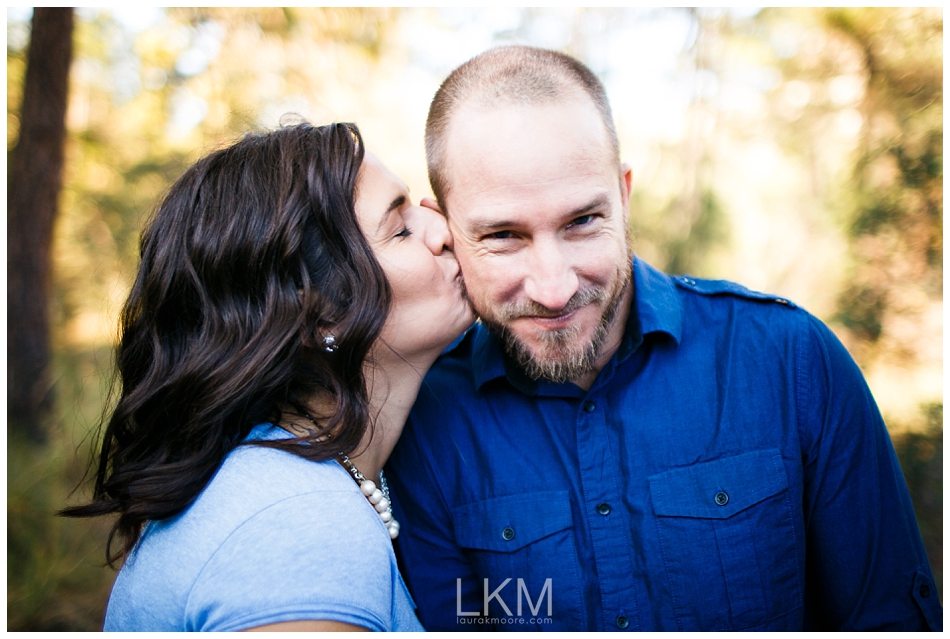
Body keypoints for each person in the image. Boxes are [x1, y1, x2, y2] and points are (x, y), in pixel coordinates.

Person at [385, 46, 942, 631]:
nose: (553, 289)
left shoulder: (790, 361)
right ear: (445, 225)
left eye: (581, 222)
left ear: (624, 199)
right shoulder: (428, 416)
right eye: (503, 236)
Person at [62, 122, 474, 631]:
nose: (444, 229)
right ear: (321, 316)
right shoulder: (301, 532)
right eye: (402, 228)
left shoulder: (292, 472)